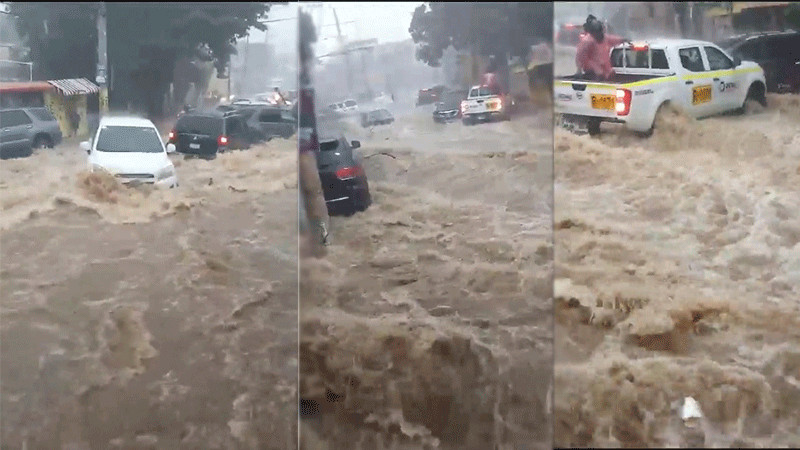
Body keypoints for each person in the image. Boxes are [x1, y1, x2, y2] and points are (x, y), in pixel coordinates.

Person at [575, 15, 627, 81]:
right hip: (593, 73)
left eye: (600, 32)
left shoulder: (604, 38)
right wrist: (595, 68)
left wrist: (623, 39)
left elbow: (613, 39)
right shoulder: (587, 42)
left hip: (606, 71)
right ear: (592, 33)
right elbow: (581, 58)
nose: (599, 34)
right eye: (597, 32)